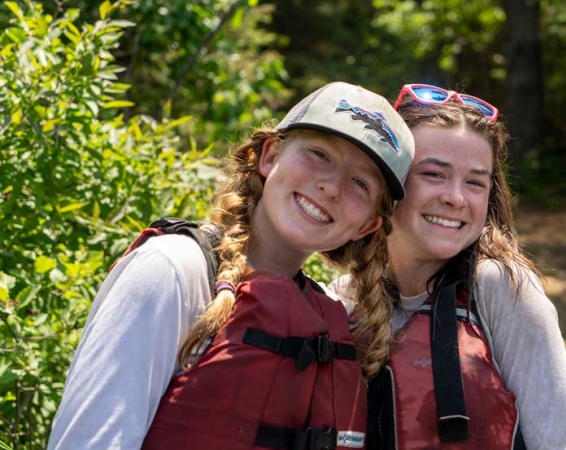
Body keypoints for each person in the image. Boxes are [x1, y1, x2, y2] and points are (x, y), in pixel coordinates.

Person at [47, 82, 415, 450]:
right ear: (270, 155)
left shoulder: (323, 314)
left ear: (368, 224)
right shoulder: (172, 271)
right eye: (320, 154)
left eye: (360, 184)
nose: (332, 188)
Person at [331, 84, 566, 450]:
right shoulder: (343, 301)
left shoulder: (500, 288)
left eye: (475, 182)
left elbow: (557, 442)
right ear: (390, 181)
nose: (455, 198)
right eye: (433, 174)